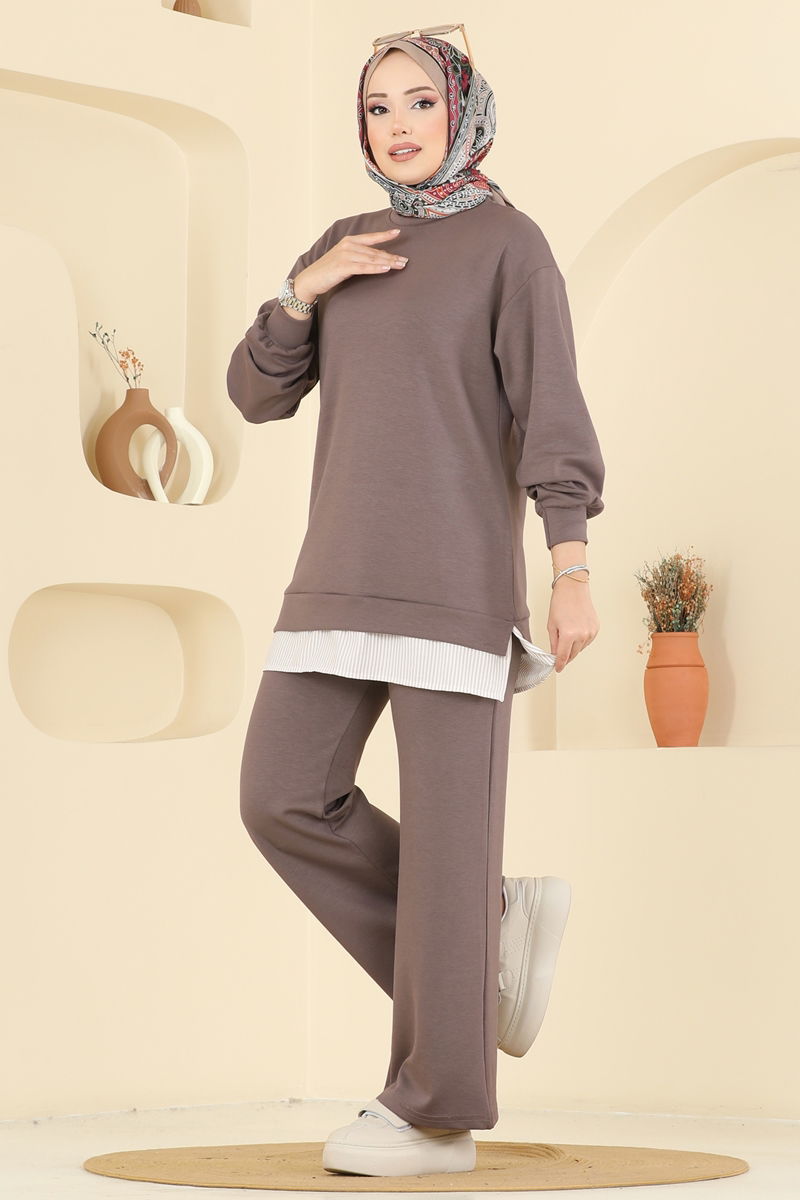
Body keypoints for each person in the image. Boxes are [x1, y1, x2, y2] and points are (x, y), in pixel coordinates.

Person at [226, 28, 605, 1179]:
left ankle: (436, 1111)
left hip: (451, 586)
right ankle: (483, 932)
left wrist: (569, 563)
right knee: (280, 797)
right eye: (376, 107)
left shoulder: (510, 247)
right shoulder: (344, 243)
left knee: (447, 848)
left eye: (418, 101)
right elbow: (253, 396)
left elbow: (550, 412)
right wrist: (301, 292)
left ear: (462, 110)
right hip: (335, 575)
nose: (396, 125)